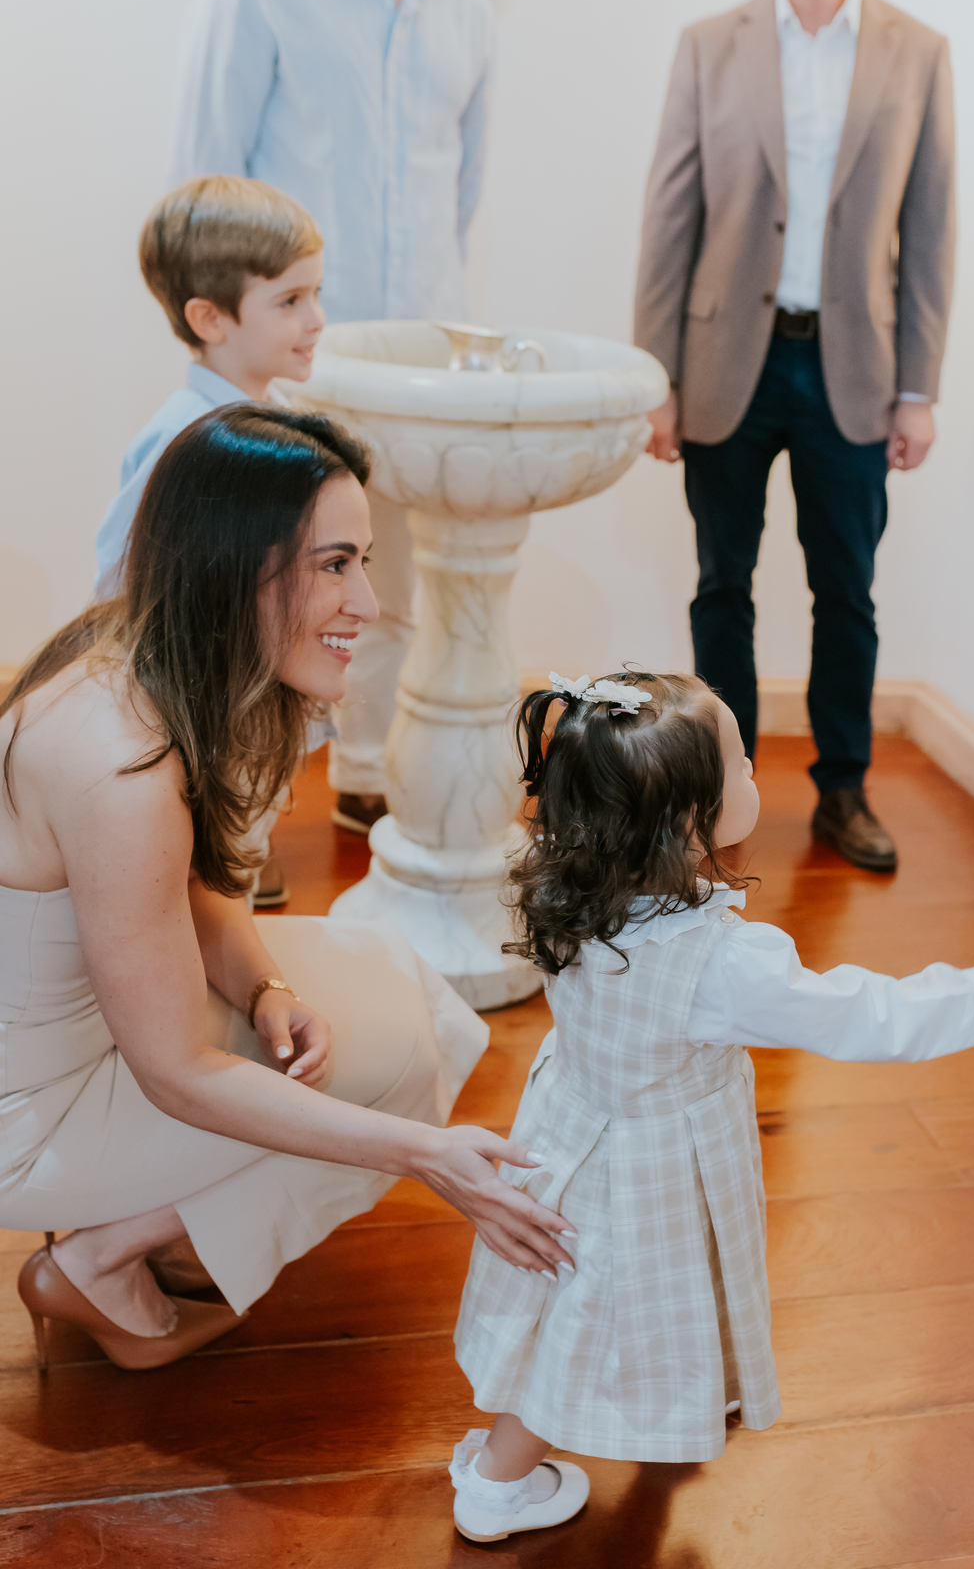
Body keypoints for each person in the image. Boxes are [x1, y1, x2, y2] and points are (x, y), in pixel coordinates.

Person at [1, 406, 575, 1374]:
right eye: (336, 564)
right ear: (236, 561)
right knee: (402, 1074)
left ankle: (133, 1238)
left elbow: (194, 887)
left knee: (405, 987)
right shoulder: (117, 764)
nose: (370, 602)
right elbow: (176, 1071)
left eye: (364, 561)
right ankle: (101, 1256)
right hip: (26, 1117)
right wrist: (422, 1157)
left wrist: (268, 991)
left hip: (96, 1027)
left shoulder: (151, 659)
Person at [445, 671, 974, 1541]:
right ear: (690, 821)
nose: (756, 765)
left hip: (572, 1131)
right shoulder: (722, 962)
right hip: (652, 1166)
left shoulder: (564, 883)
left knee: (587, 1295)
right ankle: (497, 1481)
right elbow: (858, 1015)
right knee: (594, 1312)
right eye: (741, 762)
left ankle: (670, 1399)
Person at [634, 0, 955, 874]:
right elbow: (669, 214)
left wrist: (919, 389)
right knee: (721, 582)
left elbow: (931, 229)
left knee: (846, 591)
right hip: (726, 358)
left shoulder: (918, 51)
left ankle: (842, 788)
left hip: (855, 368)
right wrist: (658, 377)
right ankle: (717, 794)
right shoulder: (710, 42)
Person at [169, 0, 497, 838]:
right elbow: (203, 186)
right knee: (257, 586)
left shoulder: (466, 4)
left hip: (415, 358)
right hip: (283, 352)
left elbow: (459, 185)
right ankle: (242, 820)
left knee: (380, 580)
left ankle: (361, 771)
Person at [95, 173, 327, 906]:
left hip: (240, 682)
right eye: (291, 301)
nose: (317, 319)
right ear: (209, 317)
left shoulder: (267, 415)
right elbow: (119, 572)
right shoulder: (183, 436)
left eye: (317, 294)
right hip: (190, 689)